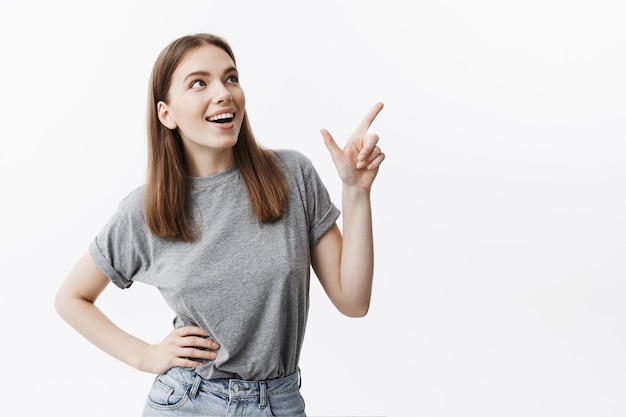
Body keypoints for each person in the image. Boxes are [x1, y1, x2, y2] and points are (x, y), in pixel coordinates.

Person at [55, 33, 385, 417]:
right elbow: (71, 298)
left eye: (231, 78)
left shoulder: (291, 176)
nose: (224, 93)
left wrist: (355, 192)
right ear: (167, 114)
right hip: (187, 401)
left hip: (279, 403)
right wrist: (146, 356)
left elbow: (354, 301)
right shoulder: (147, 209)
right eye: (199, 82)